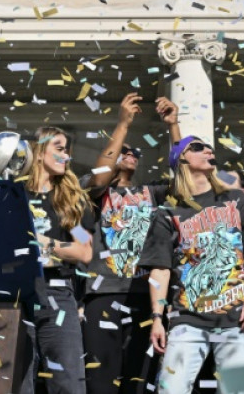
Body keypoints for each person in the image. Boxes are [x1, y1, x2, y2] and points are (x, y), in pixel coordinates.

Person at [138, 136, 244, 394]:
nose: (208, 150)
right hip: (187, 318)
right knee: (170, 389)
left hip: (237, 317)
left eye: (209, 147)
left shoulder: (236, 199)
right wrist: (157, 317)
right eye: (198, 147)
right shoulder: (168, 211)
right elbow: (160, 268)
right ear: (181, 159)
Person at [81, 94, 179, 394]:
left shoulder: (151, 192)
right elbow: (100, 178)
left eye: (135, 152)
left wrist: (173, 126)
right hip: (104, 293)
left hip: (143, 294)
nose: (131, 153)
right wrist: (123, 124)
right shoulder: (94, 192)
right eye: (123, 151)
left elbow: (185, 179)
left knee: (139, 379)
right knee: (101, 380)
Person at [20, 126, 94, 394]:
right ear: (39, 152)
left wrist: (46, 243)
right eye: (59, 149)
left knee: (68, 381)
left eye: (67, 151)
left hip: (57, 293)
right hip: (16, 295)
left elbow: (84, 250)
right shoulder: (15, 194)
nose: (66, 156)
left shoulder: (68, 202)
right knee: (18, 381)